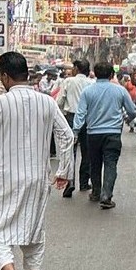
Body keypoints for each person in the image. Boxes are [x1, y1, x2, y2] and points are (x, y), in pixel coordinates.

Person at [0, 52, 73, 270]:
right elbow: (67, 136)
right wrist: (64, 171)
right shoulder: (47, 102)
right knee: (33, 228)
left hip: (3, 178)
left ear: (5, 76)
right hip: (37, 178)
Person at [73, 62, 136, 210]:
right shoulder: (119, 91)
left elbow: (80, 113)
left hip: (93, 134)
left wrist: (75, 131)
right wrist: (127, 118)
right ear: (111, 75)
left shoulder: (87, 91)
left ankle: (96, 192)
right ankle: (106, 196)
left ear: (95, 74)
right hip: (113, 133)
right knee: (110, 164)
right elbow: (132, 110)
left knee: (94, 163)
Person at [56, 59, 93, 197]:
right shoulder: (91, 83)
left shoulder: (68, 82)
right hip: (88, 120)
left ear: (77, 68)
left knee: (70, 152)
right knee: (87, 152)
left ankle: (70, 182)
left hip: (71, 118)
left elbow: (59, 101)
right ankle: (84, 182)